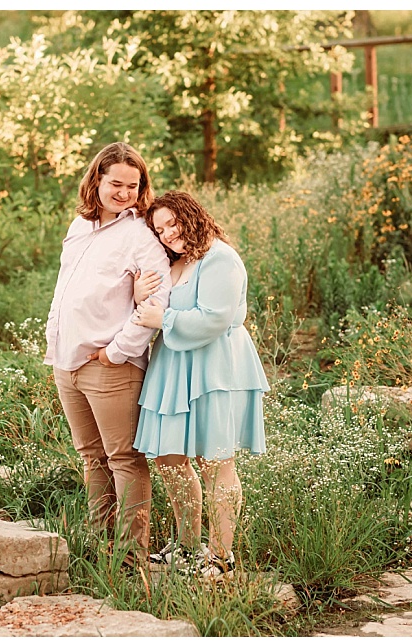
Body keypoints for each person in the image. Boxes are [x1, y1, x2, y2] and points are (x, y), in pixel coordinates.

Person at [44, 142, 173, 565]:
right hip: (68, 362)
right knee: (91, 458)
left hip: (109, 368)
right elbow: (64, 291)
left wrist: (117, 353)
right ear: (96, 179)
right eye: (115, 183)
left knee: (124, 460)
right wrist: (54, 344)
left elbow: (157, 304)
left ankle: (130, 559)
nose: (123, 193)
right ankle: (101, 550)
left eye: (132, 187)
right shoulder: (79, 226)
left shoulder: (139, 236)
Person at [131, 190, 269, 577]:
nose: (167, 234)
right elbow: (150, 305)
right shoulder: (176, 261)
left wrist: (164, 321)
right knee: (168, 456)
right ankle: (188, 546)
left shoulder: (220, 258)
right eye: (159, 229)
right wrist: (140, 295)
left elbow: (214, 318)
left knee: (215, 461)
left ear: (192, 216)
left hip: (214, 367)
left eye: (172, 223)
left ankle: (221, 557)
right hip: (175, 366)